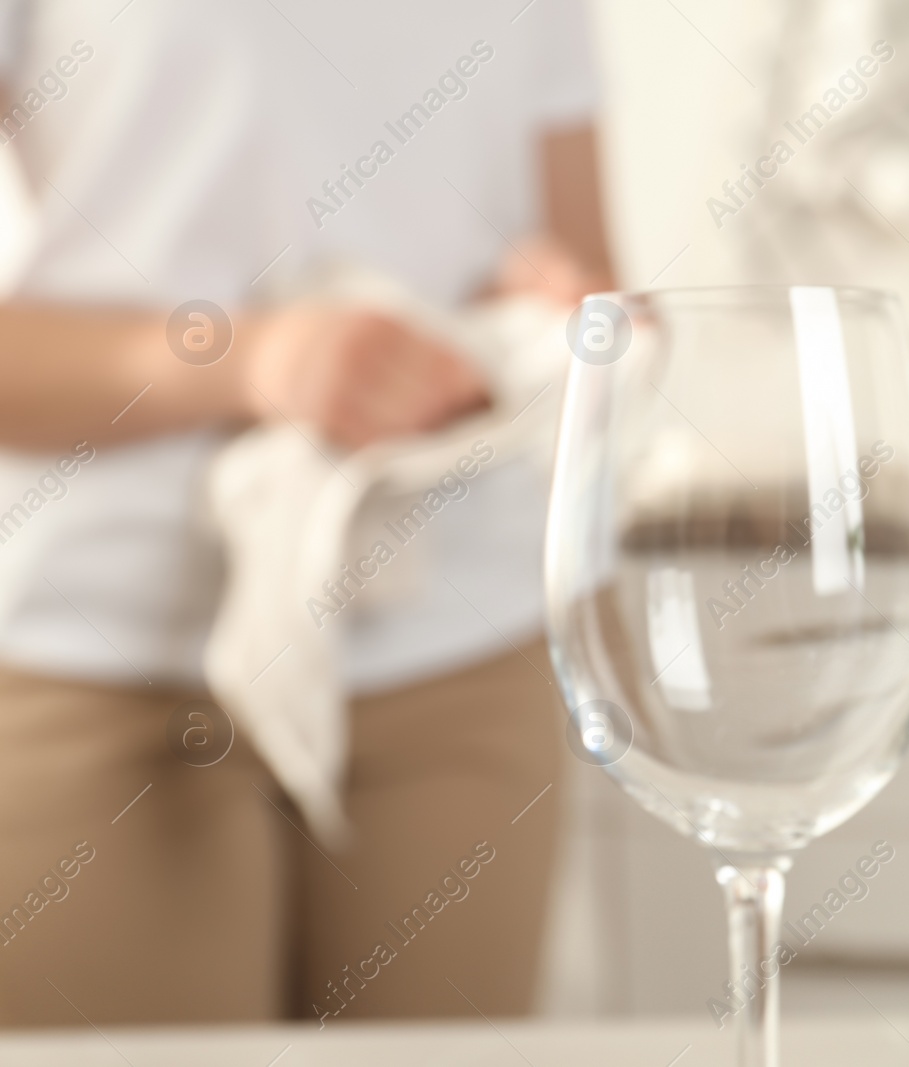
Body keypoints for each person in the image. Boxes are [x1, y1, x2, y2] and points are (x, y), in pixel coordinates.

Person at [0, 0, 610, 1025]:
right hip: (108, 658)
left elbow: (590, 272)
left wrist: (558, 315)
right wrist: (250, 358)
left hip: (460, 649)